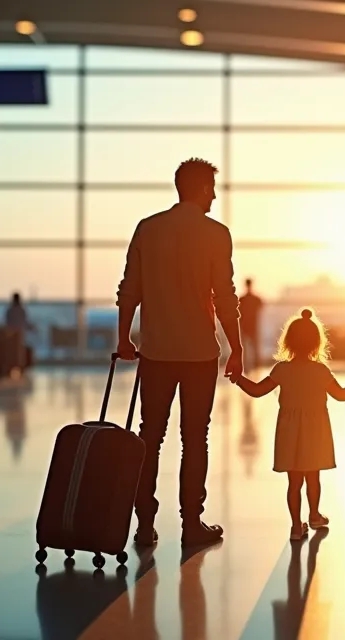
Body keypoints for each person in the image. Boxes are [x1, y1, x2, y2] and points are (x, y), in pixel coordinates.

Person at [117, 157, 243, 549]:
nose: (215, 196)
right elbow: (225, 298)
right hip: (199, 354)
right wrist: (235, 347)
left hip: (156, 352)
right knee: (195, 439)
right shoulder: (216, 234)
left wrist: (124, 339)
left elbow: (129, 290)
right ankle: (192, 524)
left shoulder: (148, 229)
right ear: (203, 189)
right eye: (213, 189)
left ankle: (144, 524)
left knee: (149, 437)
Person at [229, 309, 345, 541]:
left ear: (288, 342)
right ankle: (315, 515)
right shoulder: (321, 371)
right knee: (313, 478)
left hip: (289, 432)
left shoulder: (281, 370)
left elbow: (257, 391)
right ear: (317, 342)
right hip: (316, 431)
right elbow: (342, 395)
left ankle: (296, 526)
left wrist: (238, 379)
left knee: (294, 482)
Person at [238, 279, 264, 368]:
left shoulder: (242, 299)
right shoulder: (255, 299)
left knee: (246, 348)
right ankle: (256, 366)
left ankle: (246, 366)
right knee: (253, 348)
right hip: (251, 325)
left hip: (246, 325)